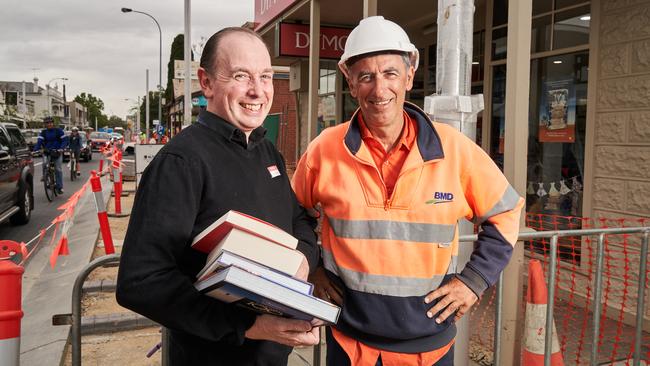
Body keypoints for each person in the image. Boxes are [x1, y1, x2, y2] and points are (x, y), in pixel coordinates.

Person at [291, 16, 525, 365]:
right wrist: (312, 266)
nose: (379, 89)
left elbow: (505, 211)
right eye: (366, 76)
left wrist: (473, 282)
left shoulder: (454, 150)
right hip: (349, 344)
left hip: (429, 350)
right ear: (350, 83)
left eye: (390, 73)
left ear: (409, 77)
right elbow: (294, 212)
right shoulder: (325, 149)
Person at [116, 27, 320, 365]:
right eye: (241, 76)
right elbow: (141, 281)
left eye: (265, 76)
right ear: (207, 83)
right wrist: (249, 326)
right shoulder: (181, 162)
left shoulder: (267, 151)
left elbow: (297, 220)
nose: (258, 91)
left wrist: (304, 260)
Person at [34, 116, 68, 194]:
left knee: (58, 169)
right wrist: (35, 150)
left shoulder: (58, 131)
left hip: (57, 152)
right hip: (47, 151)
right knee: (44, 164)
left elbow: (64, 140)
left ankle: (60, 187)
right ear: (45, 124)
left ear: (53, 123)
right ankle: (45, 176)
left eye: (50, 123)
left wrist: (61, 148)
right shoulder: (43, 132)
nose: (49, 124)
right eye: (47, 123)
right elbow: (39, 142)